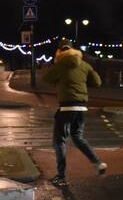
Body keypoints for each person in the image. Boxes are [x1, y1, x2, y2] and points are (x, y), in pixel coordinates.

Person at [42, 39, 107, 187]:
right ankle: (98, 163)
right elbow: (97, 82)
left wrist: (56, 63)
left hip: (66, 108)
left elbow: (45, 78)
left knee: (60, 141)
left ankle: (61, 176)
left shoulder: (59, 65)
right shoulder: (84, 64)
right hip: (81, 107)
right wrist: (82, 81)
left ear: (59, 51)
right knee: (78, 137)